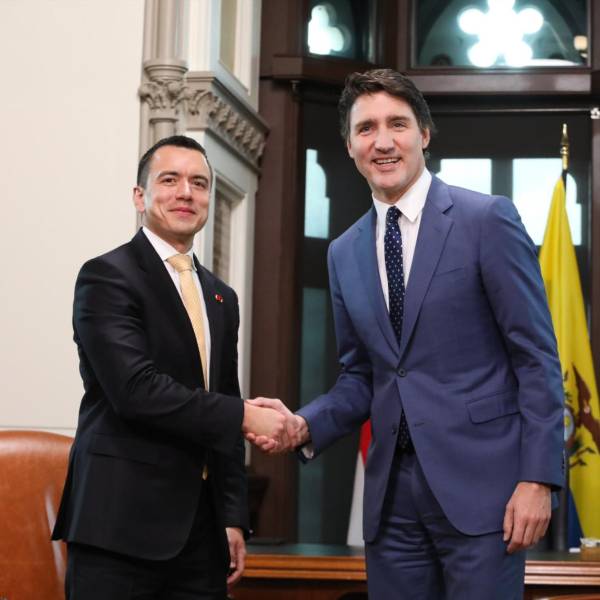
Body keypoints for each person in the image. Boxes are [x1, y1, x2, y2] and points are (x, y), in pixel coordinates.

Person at [248, 69, 565, 599]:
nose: (383, 141)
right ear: (350, 146)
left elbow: (536, 358)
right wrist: (303, 425)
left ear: (424, 133)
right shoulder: (343, 252)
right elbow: (361, 377)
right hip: (391, 503)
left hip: (485, 494)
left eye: (397, 124)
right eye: (366, 128)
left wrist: (538, 479)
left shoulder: (486, 220)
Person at [52, 135, 287, 599]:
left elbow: (221, 397)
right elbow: (136, 391)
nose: (186, 193)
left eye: (199, 183)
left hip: (201, 536)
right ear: (140, 197)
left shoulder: (221, 297)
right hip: (118, 528)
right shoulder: (106, 276)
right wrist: (245, 415)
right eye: (170, 180)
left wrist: (232, 516)